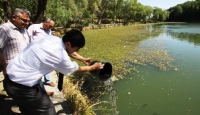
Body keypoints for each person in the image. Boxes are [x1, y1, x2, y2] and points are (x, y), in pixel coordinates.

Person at [3, 29, 104, 115]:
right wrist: (93, 67)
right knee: (48, 109)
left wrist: (82, 59)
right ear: (68, 43)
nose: (76, 52)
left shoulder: (52, 39)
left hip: (10, 80)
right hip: (21, 88)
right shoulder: (59, 56)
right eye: (76, 49)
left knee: (28, 110)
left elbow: (68, 51)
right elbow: (76, 69)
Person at [28, 18, 56, 87]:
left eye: (52, 26)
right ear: (45, 22)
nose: (51, 27)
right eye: (50, 26)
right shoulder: (34, 27)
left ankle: (48, 80)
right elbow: (27, 37)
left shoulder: (49, 30)